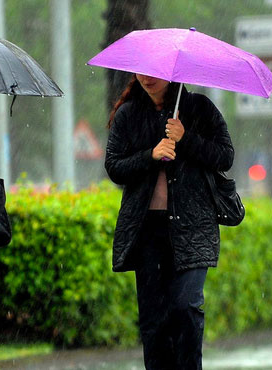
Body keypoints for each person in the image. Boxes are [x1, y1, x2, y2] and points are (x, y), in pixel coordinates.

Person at [104, 74, 234, 369]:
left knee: (185, 306)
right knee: (154, 321)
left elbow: (225, 157)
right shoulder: (129, 114)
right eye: (141, 72)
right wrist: (151, 155)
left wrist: (185, 138)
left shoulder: (199, 108)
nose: (147, 79)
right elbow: (114, 167)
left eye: (155, 73)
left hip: (193, 226)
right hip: (147, 229)